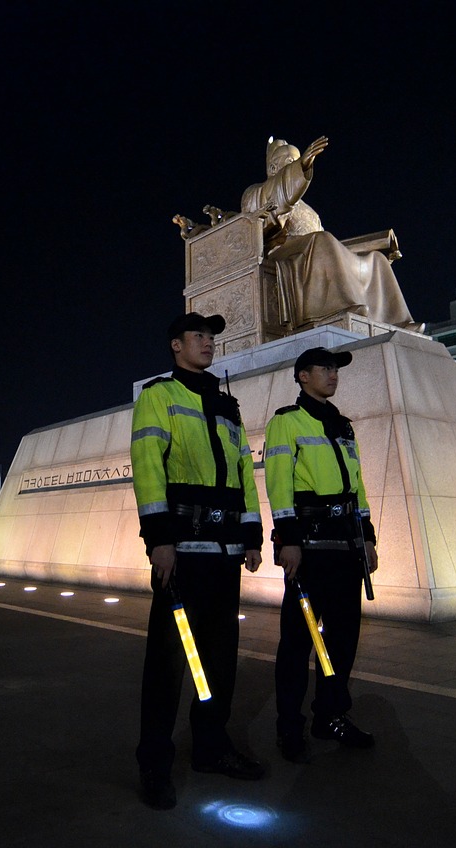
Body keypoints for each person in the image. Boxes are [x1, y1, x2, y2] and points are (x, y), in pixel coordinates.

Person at [131, 311, 265, 810]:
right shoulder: (158, 396)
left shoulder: (227, 405)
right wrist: (158, 540)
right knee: (168, 666)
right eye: (198, 336)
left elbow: (244, 476)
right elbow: (148, 468)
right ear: (175, 345)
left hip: (225, 555)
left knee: (219, 663)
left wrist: (252, 536)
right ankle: (154, 763)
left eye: (211, 337)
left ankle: (211, 748)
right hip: (181, 555)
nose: (208, 343)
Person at [264, 346, 380, 763]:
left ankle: (330, 715)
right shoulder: (285, 422)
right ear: (302, 376)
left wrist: (367, 537)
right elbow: (278, 484)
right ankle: (289, 726)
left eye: (336, 369)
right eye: (325, 368)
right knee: (299, 642)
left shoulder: (344, 426)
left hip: (346, 547)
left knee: (343, 640)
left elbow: (358, 488)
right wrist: (287, 540)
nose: (333, 375)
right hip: (309, 550)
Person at [241, 136, 422, 333]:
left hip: (313, 250)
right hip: (281, 252)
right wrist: (300, 168)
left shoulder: (310, 211)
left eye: (298, 161)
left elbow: (329, 251)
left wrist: (376, 246)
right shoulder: (256, 193)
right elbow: (266, 212)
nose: (299, 165)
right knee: (322, 240)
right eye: (290, 163)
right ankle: (337, 308)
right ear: (273, 169)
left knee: (377, 260)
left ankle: (398, 322)